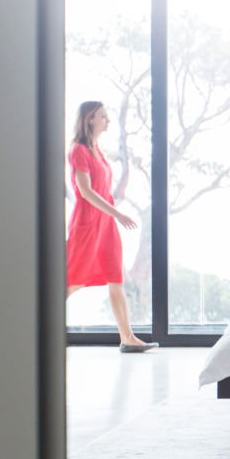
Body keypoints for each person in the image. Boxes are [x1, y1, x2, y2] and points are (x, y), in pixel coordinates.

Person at [66, 101, 157, 353]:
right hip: (87, 224)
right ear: (89, 119)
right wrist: (117, 212)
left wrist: (113, 211)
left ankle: (127, 338)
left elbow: (104, 189)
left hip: (105, 224)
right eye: (103, 117)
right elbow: (85, 191)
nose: (107, 121)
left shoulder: (98, 150)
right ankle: (35, 324)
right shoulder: (78, 150)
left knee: (115, 276)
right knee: (73, 279)